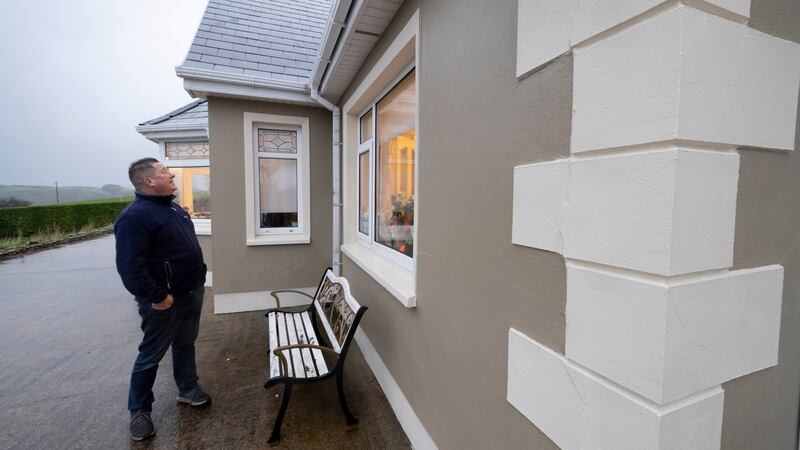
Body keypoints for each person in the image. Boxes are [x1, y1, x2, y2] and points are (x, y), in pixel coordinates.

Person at [114, 157, 211, 441]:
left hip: (191, 292)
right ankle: (139, 411)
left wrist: (199, 277)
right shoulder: (133, 218)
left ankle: (188, 389)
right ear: (148, 181)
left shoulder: (174, 209)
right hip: (163, 301)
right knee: (150, 356)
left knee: (185, 344)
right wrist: (158, 295)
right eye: (164, 171)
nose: (171, 175)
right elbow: (130, 268)